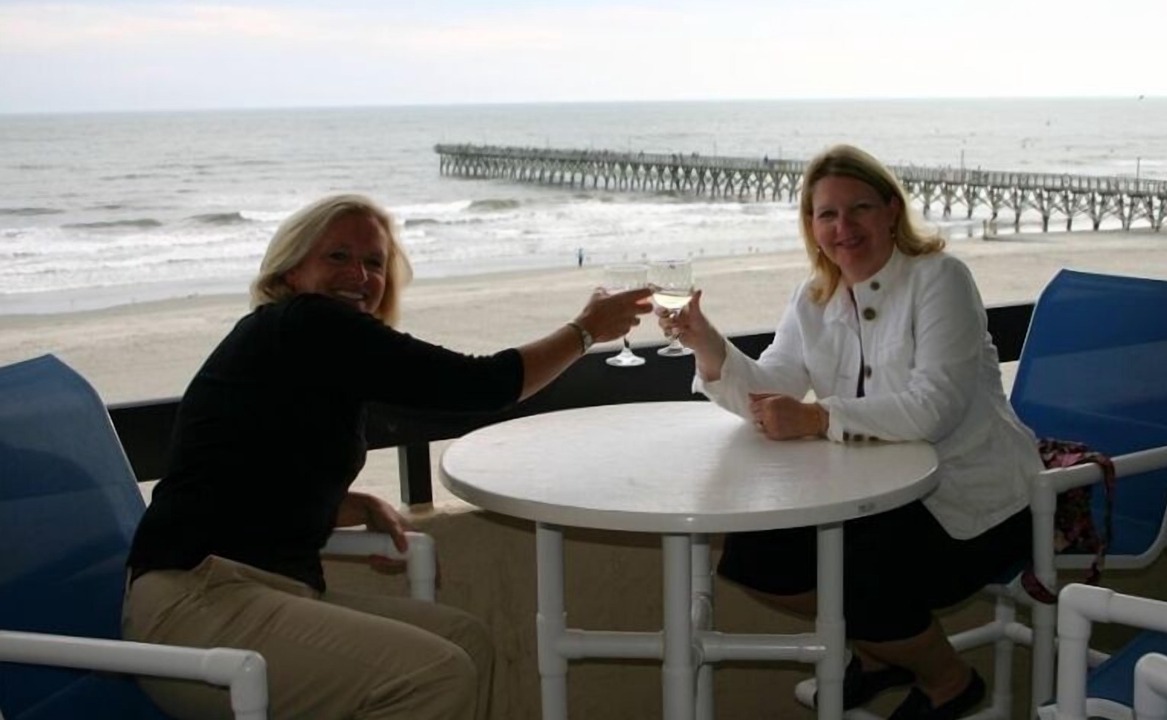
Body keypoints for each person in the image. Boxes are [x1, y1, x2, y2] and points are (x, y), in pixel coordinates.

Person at [123, 193, 652, 720]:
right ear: (290, 272)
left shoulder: (299, 349)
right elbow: (481, 384)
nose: (359, 274)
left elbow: (250, 472)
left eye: (374, 263)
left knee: (465, 641)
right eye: (338, 256)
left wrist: (350, 505)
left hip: (258, 593)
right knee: (435, 673)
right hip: (194, 607)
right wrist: (586, 330)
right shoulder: (305, 323)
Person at [658, 145, 1043, 720]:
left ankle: (949, 683)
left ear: (891, 211)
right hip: (877, 499)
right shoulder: (813, 297)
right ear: (811, 227)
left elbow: (934, 408)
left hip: (975, 503)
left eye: (859, 208)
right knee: (755, 555)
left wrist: (819, 417)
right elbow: (772, 387)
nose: (844, 227)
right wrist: (705, 341)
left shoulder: (940, 279)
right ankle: (882, 654)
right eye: (827, 215)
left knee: (860, 574)